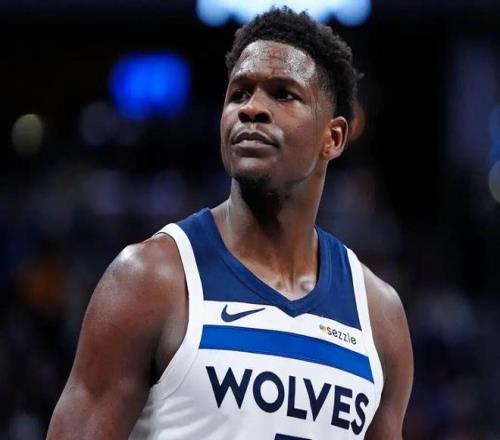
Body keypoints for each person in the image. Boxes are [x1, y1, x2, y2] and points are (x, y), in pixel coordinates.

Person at [47, 7, 413, 439]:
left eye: (283, 94)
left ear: (332, 138)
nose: (252, 109)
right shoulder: (150, 280)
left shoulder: (378, 315)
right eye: (239, 94)